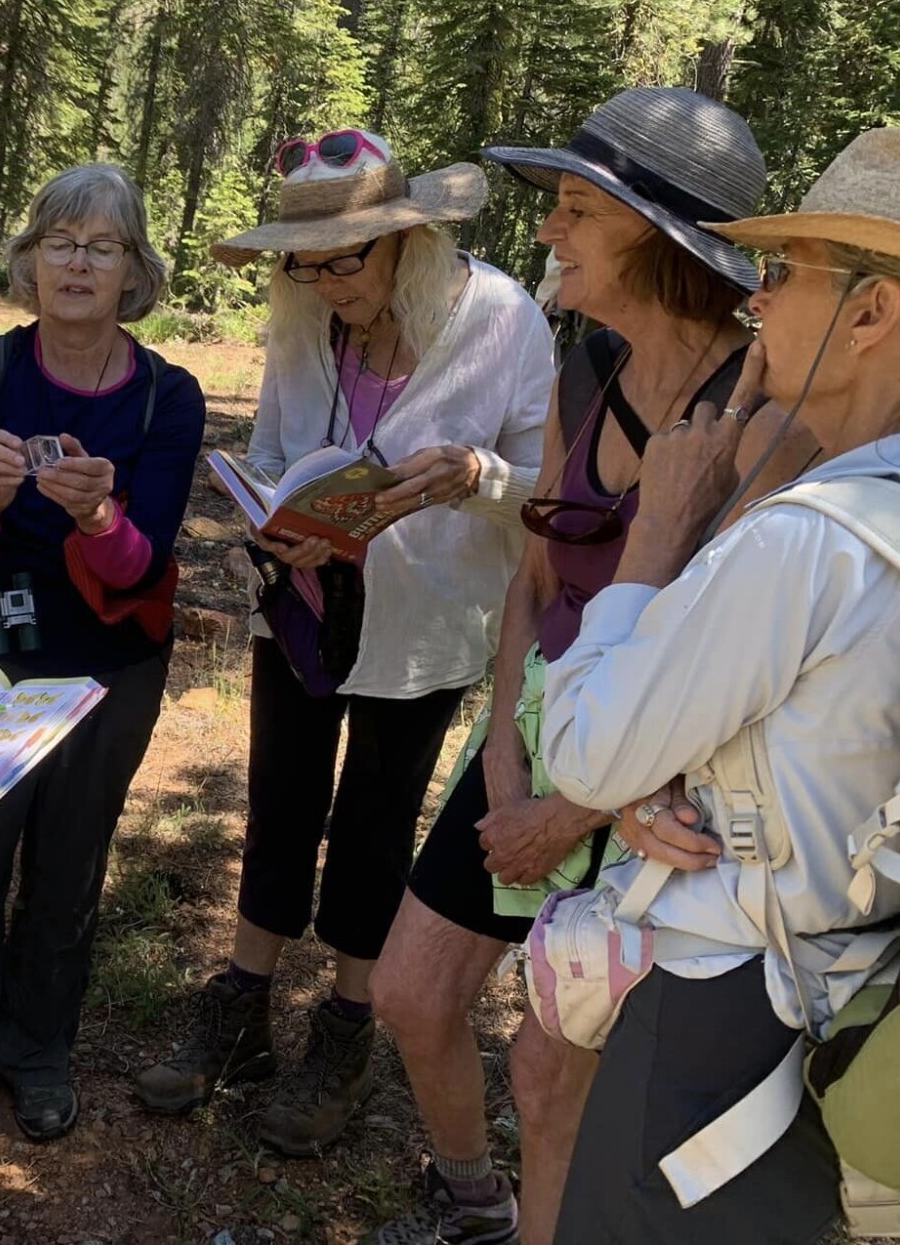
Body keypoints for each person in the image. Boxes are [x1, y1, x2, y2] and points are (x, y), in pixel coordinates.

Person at [538, 126, 900, 1243]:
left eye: (785, 271)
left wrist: (655, 535)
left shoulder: (814, 538)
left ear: (872, 314)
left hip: (714, 1025)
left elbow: (582, 751)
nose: (756, 301)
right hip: (861, 1012)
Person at [366, 87, 811, 1245]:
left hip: (653, 787)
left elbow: (733, 667)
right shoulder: (587, 370)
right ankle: (475, 1200)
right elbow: (534, 578)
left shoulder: (762, 423)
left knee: (549, 1074)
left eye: (575, 208)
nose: (547, 230)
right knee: (409, 995)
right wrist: (503, 759)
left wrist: (571, 811)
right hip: (534, 734)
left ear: (658, 241)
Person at [132, 130, 553, 1157]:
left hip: (427, 624)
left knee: (373, 821)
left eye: (343, 260)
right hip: (301, 604)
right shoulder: (304, 320)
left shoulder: (501, 319)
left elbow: (551, 496)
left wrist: (480, 478)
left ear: (407, 240)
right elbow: (273, 450)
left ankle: (345, 1030)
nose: (323, 282)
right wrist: (273, 520)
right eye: (302, 263)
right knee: (280, 803)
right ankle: (242, 1007)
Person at [0, 164, 205, 1149]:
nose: (77, 264)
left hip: (106, 667)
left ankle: (37, 1052)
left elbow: (139, 565)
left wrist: (97, 512)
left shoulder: (167, 396)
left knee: (70, 865)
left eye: (101, 246)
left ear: (134, 271)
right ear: (29, 260)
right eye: (59, 243)